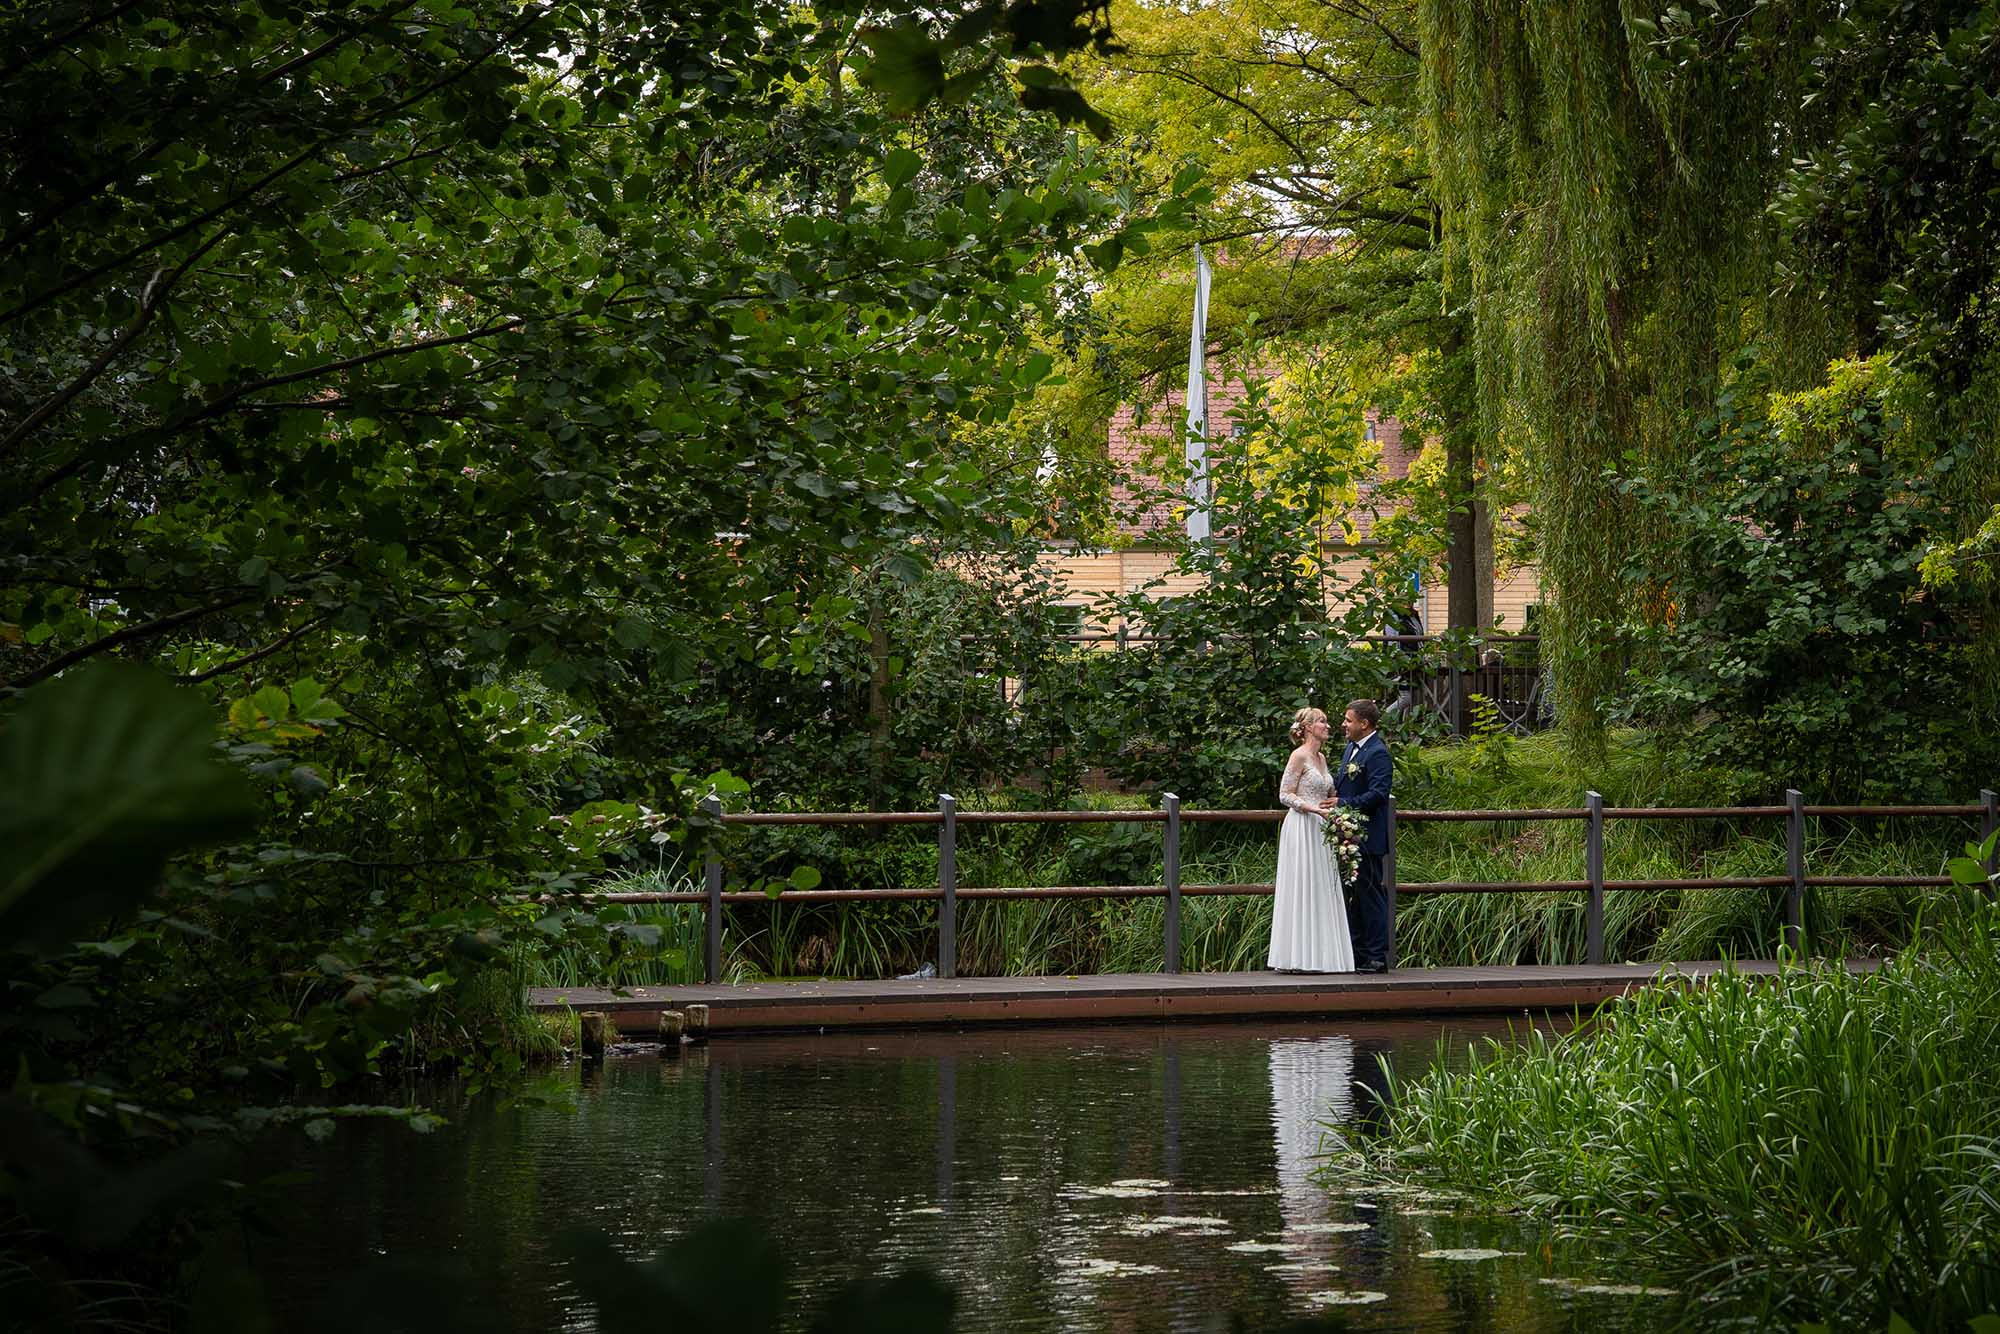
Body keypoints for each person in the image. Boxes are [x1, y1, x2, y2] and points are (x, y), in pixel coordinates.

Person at [1269, 707, 1356, 974]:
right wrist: (1312, 808)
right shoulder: (1299, 756)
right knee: (1303, 885)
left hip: (1321, 827)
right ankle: (1297, 957)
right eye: (1322, 722)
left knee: (1322, 886)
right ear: (1307, 727)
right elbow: (1285, 794)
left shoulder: (1322, 758)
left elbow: (1329, 790)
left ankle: (1322, 956)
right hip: (1302, 825)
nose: (1328, 726)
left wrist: (1338, 802)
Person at [1335, 699, 1394, 971]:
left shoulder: (1377, 752)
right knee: (1354, 897)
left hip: (1368, 837)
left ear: (1364, 723)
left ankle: (1376, 956)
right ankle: (1357, 953)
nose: (1344, 725)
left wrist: (1342, 805)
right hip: (1349, 835)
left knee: (1370, 896)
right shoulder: (1351, 749)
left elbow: (1378, 794)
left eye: (1348, 720)